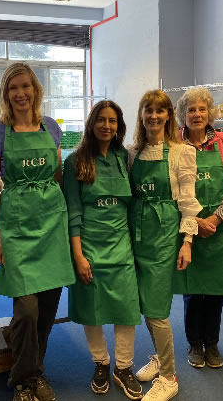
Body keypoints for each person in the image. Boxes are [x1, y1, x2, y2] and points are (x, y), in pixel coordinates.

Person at [0, 62, 76, 401]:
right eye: (13, 88)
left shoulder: (51, 127)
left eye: (26, 86)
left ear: (35, 89)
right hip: (17, 227)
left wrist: (67, 226)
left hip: (51, 222)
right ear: (6, 94)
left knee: (48, 307)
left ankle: (36, 371)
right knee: (26, 310)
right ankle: (23, 379)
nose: (20, 93)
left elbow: (57, 177)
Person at [63, 101, 143, 400]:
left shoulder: (125, 157)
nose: (106, 126)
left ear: (119, 125)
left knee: (126, 309)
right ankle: (101, 362)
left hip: (121, 245)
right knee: (92, 310)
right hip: (89, 247)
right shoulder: (74, 162)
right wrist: (78, 255)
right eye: (101, 120)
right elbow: (72, 211)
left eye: (112, 121)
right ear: (91, 123)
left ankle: (123, 367)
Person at [127, 90, 201, 401]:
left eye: (160, 111)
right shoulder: (132, 153)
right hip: (136, 233)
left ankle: (169, 376)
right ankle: (160, 357)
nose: (154, 116)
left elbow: (188, 200)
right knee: (145, 303)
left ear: (169, 115)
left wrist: (187, 241)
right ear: (141, 115)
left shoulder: (182, 151)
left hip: (163, 235)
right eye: (148, 110)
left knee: (156, 309)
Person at [172, 86, 223, 369]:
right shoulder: (175, 145)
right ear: (183, 115)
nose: (197, 114)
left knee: (215, 291)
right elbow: (174, 189)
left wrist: (215, 219)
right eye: (191, 110)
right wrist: (195, 222)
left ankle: (212, 344)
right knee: (192, 292)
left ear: (209, 112)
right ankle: (194, 344)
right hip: (188, 227)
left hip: (220, 228)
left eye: (202, 109)